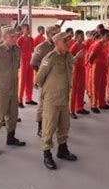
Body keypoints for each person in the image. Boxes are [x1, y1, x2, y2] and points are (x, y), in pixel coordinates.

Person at [36, 32, 77, 170]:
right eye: (65, 41)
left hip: (64, 97)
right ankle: (47, 154)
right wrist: (49, 89)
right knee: (49, 127)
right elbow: (39, 78)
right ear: (58, 42)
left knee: (64, 125)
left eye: (68, 41)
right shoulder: (50, 58)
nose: (68, 43)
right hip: (52, 98)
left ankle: (62, 149)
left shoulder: (68, 56)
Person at [0, 26, 26, 155]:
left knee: (13, 114)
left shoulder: (16, 49)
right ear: (4, 37)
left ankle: (11, 138)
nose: (15, 39)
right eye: (12, 37)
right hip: (1, 89)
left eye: (15, 36)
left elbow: (17, 66)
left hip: (13, 87)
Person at [30, 25, 60, 137]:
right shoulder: (42, 47)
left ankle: (53, 124)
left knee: (56, 103)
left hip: (57, 80)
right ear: (48, 35)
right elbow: (33, 63)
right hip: (46, 80)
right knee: (43, 104)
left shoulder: (58, 46)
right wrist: (41, 74)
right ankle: (40, 127)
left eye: (58, 33)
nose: (56, 36)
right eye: (54, 34)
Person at [88, 29, 109, 113]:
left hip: (103, 68)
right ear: (102, 36)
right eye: (107, 36)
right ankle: (93, 105)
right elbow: (90, 58)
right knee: (95, 86)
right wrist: (93, 66)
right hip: (96, 68)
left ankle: (102, 103)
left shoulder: (106, 45)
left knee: (102, 85)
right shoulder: (97, 45)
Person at [69, 30, 88, 119]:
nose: (83, 37)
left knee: (81, 89)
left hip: (82, 69)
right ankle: (71, 110)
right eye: (81, 36)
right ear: (76, 37)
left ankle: (80, 107)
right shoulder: (74, 46)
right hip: (75, 70)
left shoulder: (84, 46)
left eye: (83, 35)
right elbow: (70, 59)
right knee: (74, 91)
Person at [16, 24, 36, 107]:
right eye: (26, 29)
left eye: (29, 28)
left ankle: (28, 99)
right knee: (22, 81)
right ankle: (19, 100)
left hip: (30, 61)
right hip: (22, 61)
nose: (28, 30)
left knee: (30, 80)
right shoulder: (19, 40)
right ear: (23, 30)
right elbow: (16, 52)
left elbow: (33, 49)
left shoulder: (31, 39)